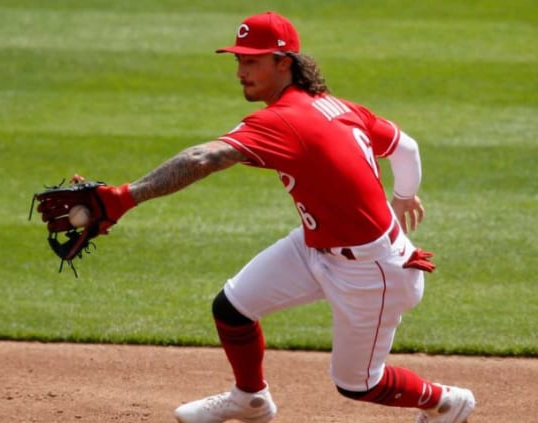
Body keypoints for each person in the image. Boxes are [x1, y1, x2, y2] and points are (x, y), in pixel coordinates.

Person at [83, 11, 476, 423]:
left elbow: (204, 157)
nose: (240, 71)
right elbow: (406, 147)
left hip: (372, 271)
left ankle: (447, 401)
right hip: (316, 247)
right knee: (232, 307)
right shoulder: (336, 106)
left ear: (283, 63)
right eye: (238, 60)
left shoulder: (285, 120)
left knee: (359, 384)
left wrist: (124, 198)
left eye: (251, 61)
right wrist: (404, 196)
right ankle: (250, 399)